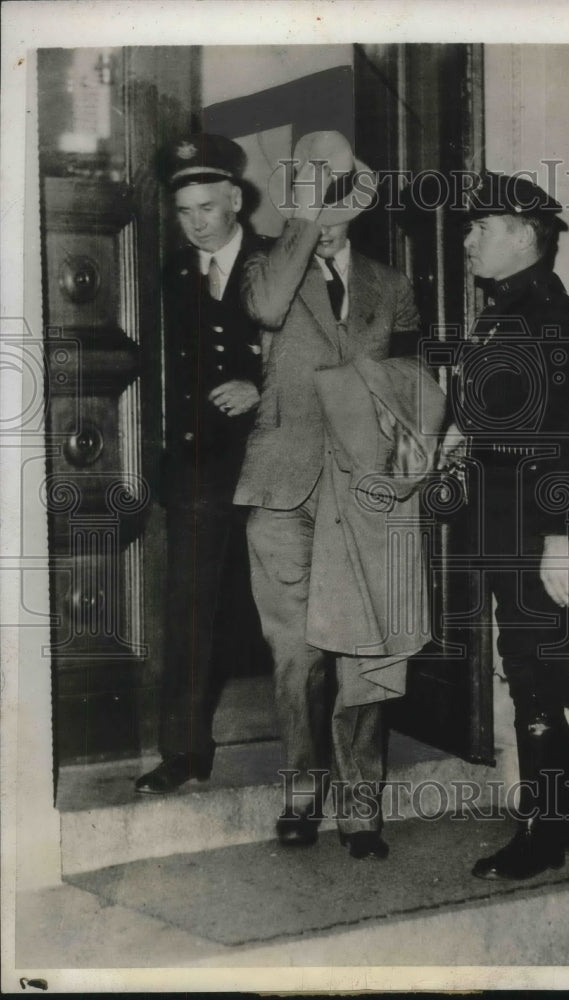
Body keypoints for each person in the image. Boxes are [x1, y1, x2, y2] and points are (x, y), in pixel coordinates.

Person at [234, 131, 443, 859]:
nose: (330, 206)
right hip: (284, 487)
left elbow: (413, 386)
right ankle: (300, 792)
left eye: (337, 192)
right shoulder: (270, 267)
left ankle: (360, 806)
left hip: (365, 495)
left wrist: (413, 455)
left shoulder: (392, 284)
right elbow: (263, 309)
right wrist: (302, 219)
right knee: (296, 656)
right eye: (314, 187)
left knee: (364, 655)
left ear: (357, 202)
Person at [441, 170, 569, 879]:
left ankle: (542, 838)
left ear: (524, 236)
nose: (468, 239)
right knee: (544, 672)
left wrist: (554, 539)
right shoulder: (505, 310)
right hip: (510, 521)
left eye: (480, 228)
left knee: (535, 678)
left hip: (542, 526)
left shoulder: (546, 314)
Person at [136, 134, 265, 794]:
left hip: (273, 462)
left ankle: (313, 760)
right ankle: (183, 753)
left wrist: (260, 388)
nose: (194, 224)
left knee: (287, 617)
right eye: (184, 211)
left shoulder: (276, 264)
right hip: (197, 469)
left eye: (206, 209)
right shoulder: (174, 272)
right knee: (188, 609)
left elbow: (325, 363)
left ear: (236, 201)